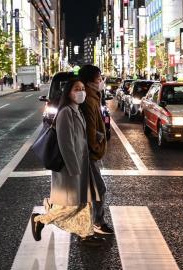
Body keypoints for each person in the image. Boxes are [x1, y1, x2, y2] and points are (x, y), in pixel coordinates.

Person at [31, 79, 102, 244]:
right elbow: (65, 143)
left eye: (83, 88)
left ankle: (86, 234)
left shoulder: (77, 110)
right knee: (71, 204)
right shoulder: (65, 112)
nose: (81, 92)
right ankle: (40, 220)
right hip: (69, 167)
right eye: (77, 89)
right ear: (68, 92)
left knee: (84, 201)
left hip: (81, 164)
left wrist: (96, 137)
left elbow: (79, 137)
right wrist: (74, 168)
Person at [78, 65, 114, 235]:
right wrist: (97, 144)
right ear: (90, 82)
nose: (101, 82)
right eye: (98, 79)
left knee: (90, 191)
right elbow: (90, 130)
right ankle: (96, 223)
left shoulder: (93, 97)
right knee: (98, 189)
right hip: (88, 154)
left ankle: (91, 223)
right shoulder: (89, 100)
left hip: (88, 153)